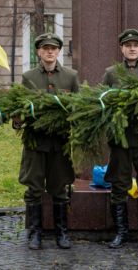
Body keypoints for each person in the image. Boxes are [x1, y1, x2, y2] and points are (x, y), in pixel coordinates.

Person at [19, 32, 80, 250]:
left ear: (58, 51)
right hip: (36, 142)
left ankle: (61, 232)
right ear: (38, 51)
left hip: (59, 143)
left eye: (53, 48)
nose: (49, 51)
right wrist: (18, 120)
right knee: (34, 187)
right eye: (45, 48)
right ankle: (35, 232)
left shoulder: (71, 77)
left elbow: (78, 108)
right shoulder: (28, 78)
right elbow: (20, 108)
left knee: (59, 187)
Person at [101, 28, 138, 248]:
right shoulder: (111, 73)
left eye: (136, 45)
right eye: (128, 45)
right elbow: (102, 102)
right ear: (122, 49)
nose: (132, 48)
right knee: (119, 184)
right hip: (120, 140)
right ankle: (121, 233)